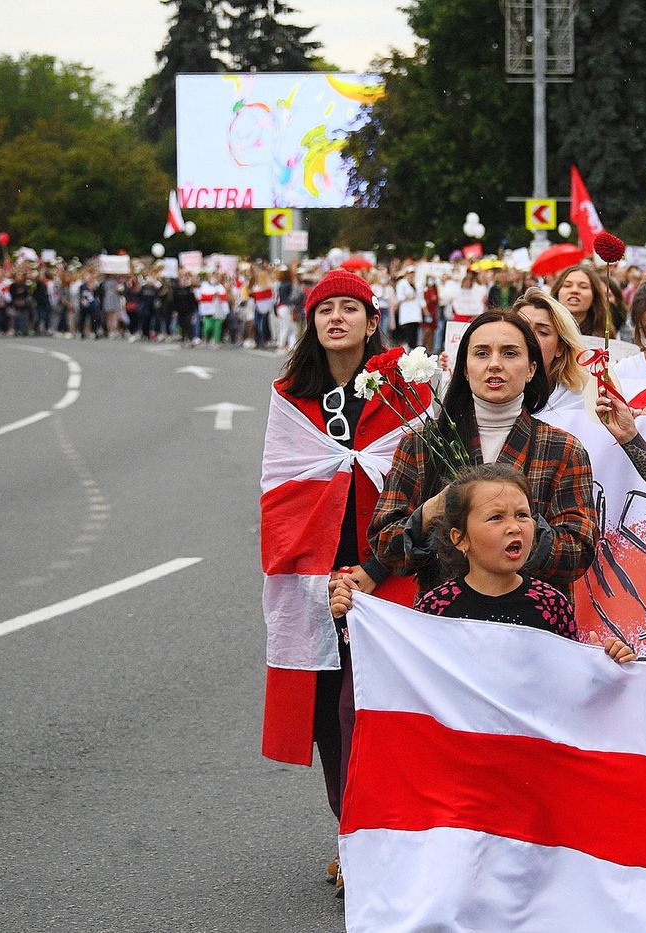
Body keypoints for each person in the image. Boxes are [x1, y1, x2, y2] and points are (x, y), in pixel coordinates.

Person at [259, 268, 424, 896]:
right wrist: (315, 570)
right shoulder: (288, 395)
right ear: (312, 321)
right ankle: (348, 832)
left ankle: (383, 836)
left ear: (372, 320)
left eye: (350, 309)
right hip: (316, 579)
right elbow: (281, 492)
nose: (337, 319)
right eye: (325, 309)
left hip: (388, 575)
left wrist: (379, 569)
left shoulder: (406, 390)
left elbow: (419, 487)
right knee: (332, 713)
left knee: (377, 707)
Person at [370, 308, 599, 598]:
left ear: (531, 368)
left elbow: (579, 551)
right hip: (443, 623)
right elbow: (384, 544)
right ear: (464, 368)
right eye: (481, 353)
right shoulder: (421, 444)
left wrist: (514, 525)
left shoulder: (563, 450)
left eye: (510, 353)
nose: (494, 364)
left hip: (533, 624)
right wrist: (431, 511)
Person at [336, 463, 633, 665]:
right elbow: (412, 676)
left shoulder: (552, 604)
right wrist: (354, 615)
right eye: (496, 518)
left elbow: (571, 684)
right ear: (460, 538)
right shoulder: (435, 608)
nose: (514, 527)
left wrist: (605, 662)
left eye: (522, 515)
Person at [510, 288, 589, 416]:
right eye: (521, 328)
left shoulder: (580, 407)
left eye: (543, 332)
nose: (529, 337)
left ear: (560, 348)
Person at [551, 264, 622, 338]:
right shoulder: (544, 331)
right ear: (557, 292)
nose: (574, 290)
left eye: (583, 287)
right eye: (567, 285)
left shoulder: (605, 337)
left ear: (594, 296)